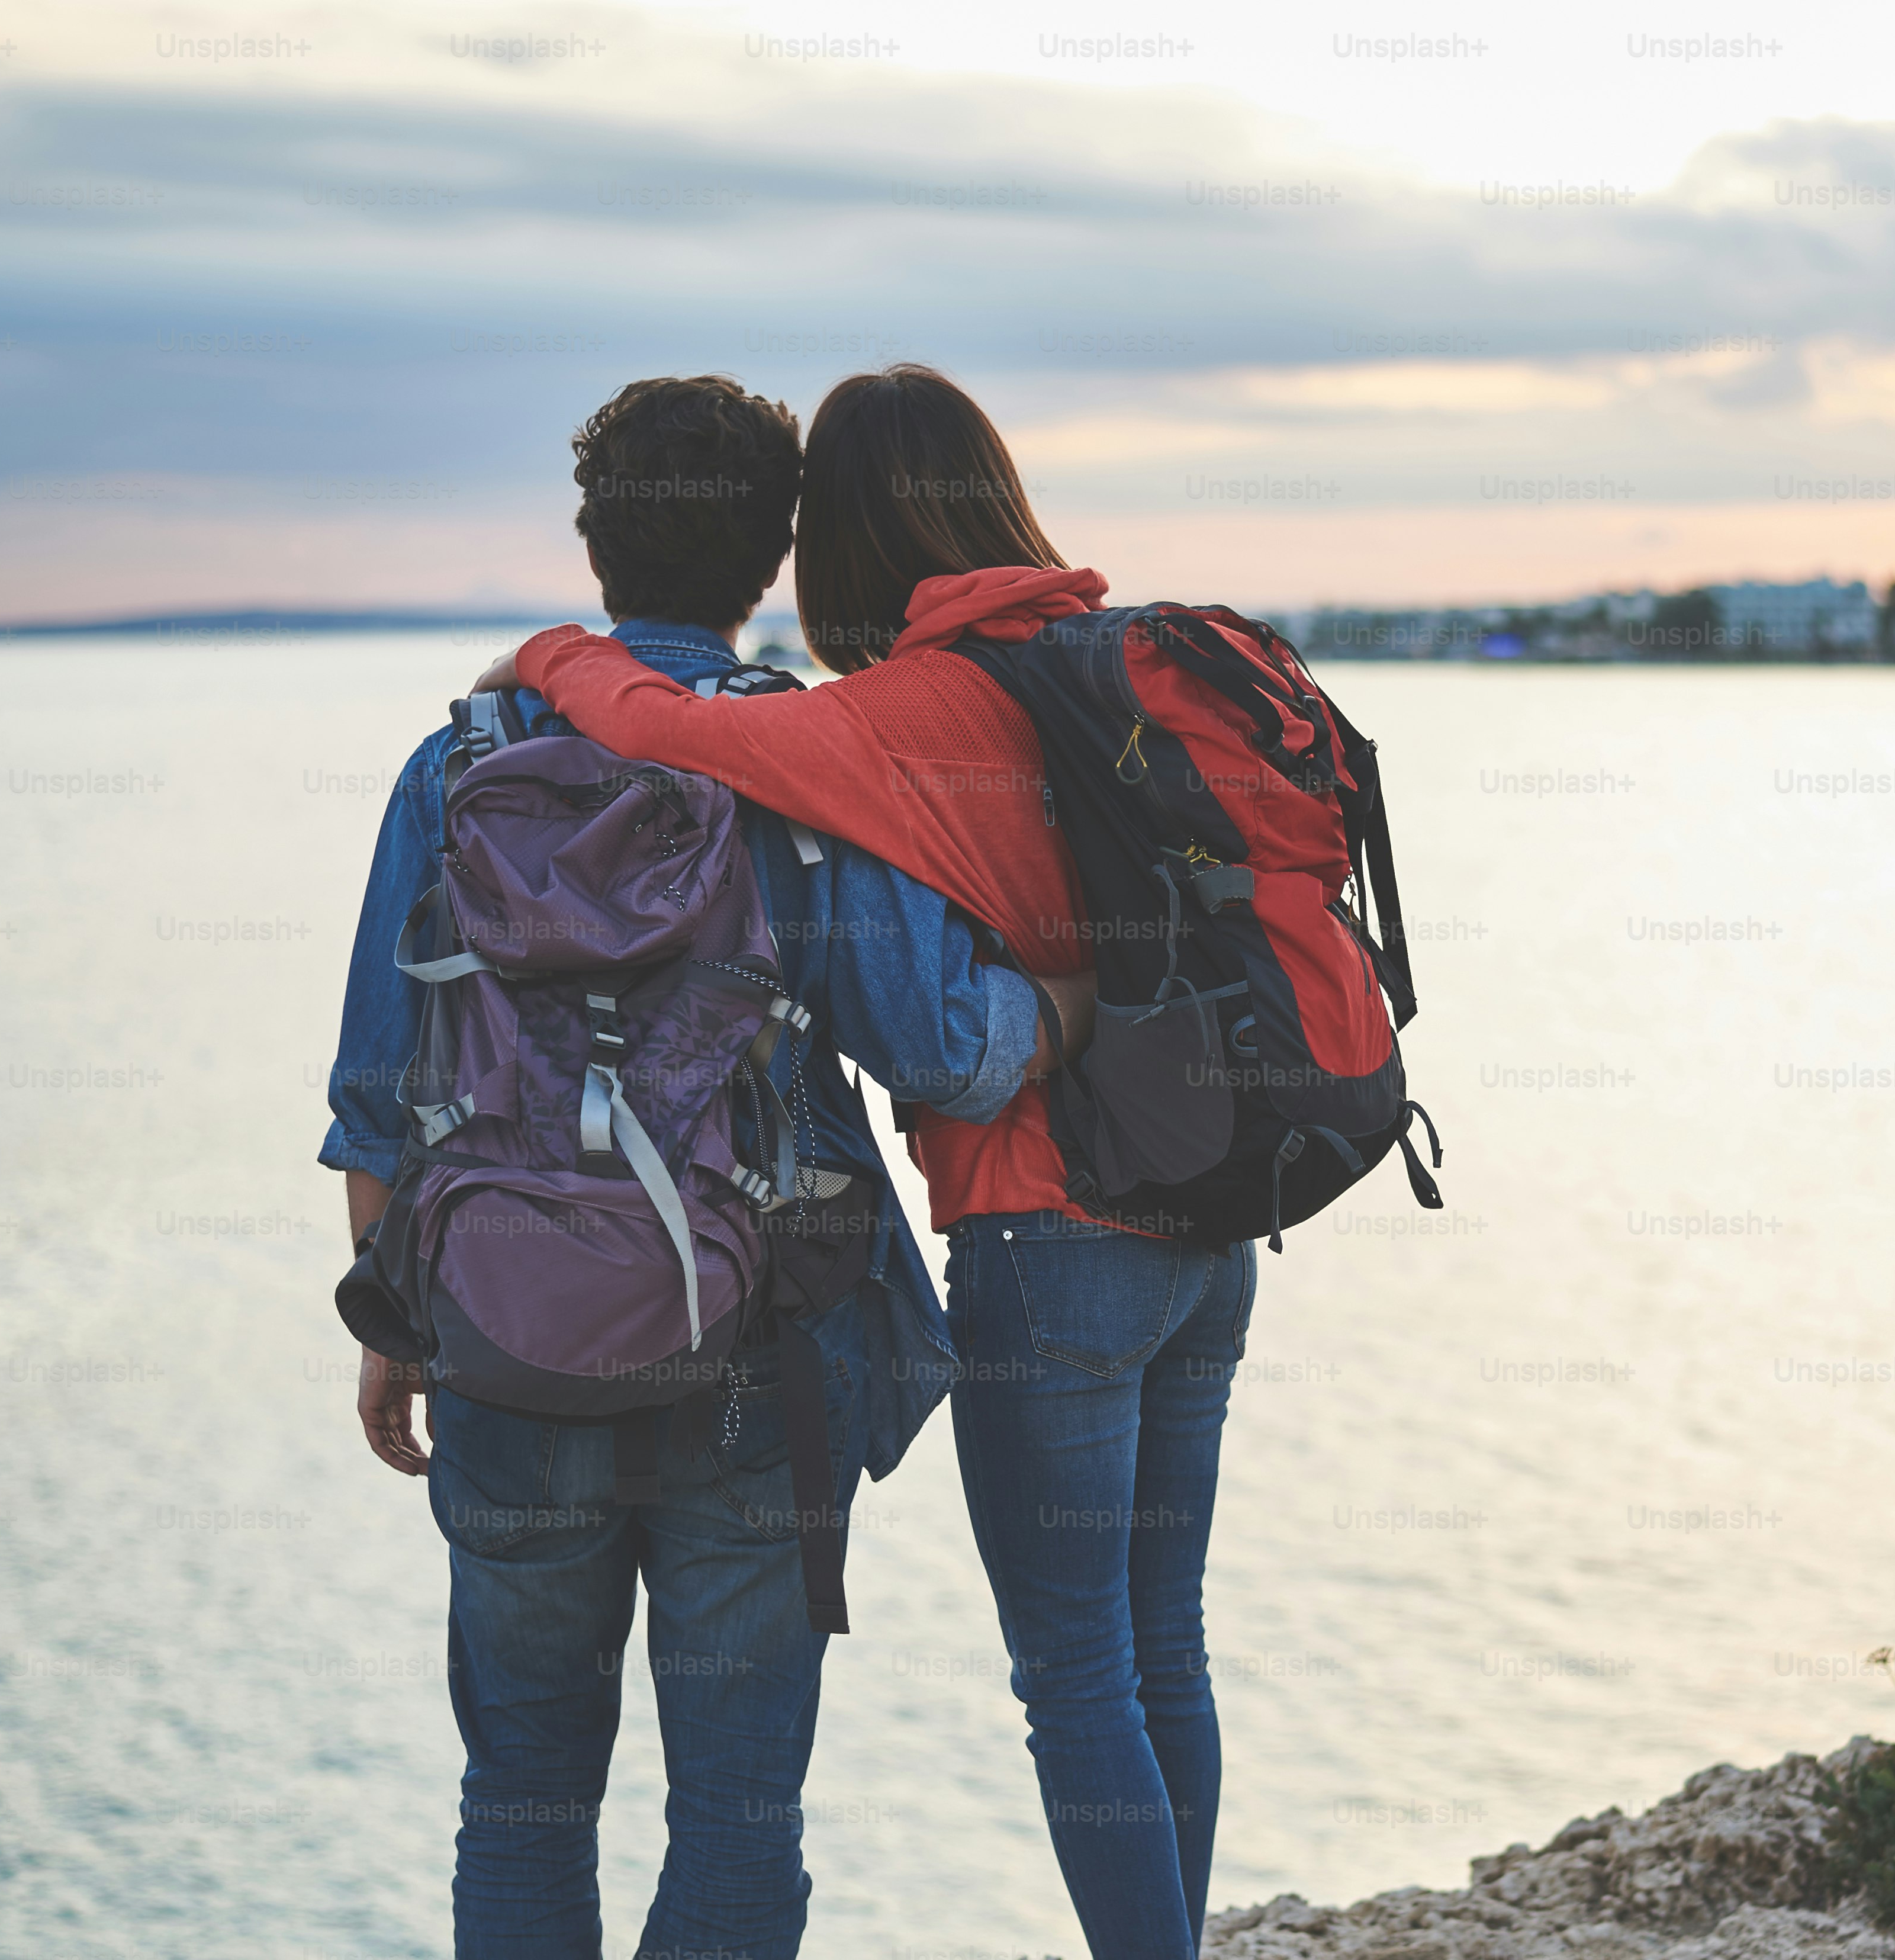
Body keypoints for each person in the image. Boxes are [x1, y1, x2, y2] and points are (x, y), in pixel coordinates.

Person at [468, 365, 1261, 1960]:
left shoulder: (889, 715)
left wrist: (549, 652)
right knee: (1160, 1650)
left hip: (1045, 1232)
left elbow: (666, 731)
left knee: (1076, 1680)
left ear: (831, 542)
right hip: (1208, 1215)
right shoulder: (1103, 657)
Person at [320, 374, 1085, 1960]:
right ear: (771, 556)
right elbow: (943, 1050)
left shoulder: (456, 762)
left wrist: (395, 1326)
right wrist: (1077, 1002)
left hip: (503, 1337)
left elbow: (381, 1091)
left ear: (595, 546)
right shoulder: (804, 760)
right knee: (738, 1813)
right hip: (764, 1349)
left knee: (520, 1799)